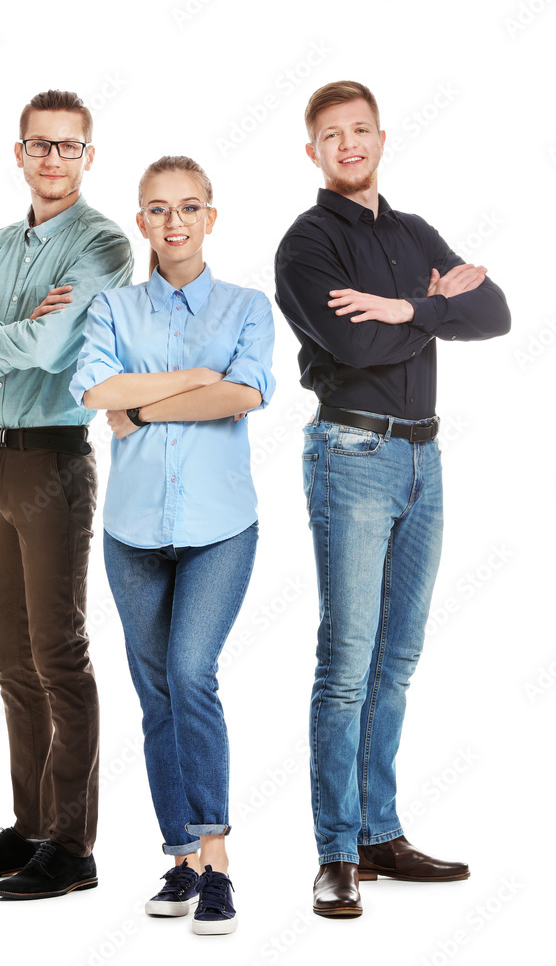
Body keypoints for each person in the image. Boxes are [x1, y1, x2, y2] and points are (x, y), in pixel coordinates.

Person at [274, 81, 510, 919]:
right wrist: (437, 306)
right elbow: (350, 341)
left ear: (381, 138)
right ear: (313, 151)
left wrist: (415, 303)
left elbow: (496, 312)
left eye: (360, 129)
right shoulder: (306, 244)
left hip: (424, 457)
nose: (348, 143)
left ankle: (381, 833)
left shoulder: (413, 235)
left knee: (398, 659)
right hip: (354, 450)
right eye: (331, 134)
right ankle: (337, 851)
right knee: (347, 665)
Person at [0, 89, 133, 900]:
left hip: (53, 463)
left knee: (57, 653)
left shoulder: (104, 245)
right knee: (7, 656)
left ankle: (74, 848)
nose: (53, 159)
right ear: (19, 154)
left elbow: (51, 349)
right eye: (39, 146)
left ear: (89, 156)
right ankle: (30, 828)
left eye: (68, 147)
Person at [70, 155, 275, 935]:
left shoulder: (248, 306)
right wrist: (193, 374)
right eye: (158, 210)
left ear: (211, 218)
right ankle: (181, 858)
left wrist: (149, 406)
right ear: (142, 221)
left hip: (220, 528)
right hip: (132, 532)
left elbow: (246, 392)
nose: (174, 222)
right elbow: (97, 390)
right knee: (155, 694)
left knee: (192, 673)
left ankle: (217, 863)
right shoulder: (113, 310)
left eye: (188, 208)